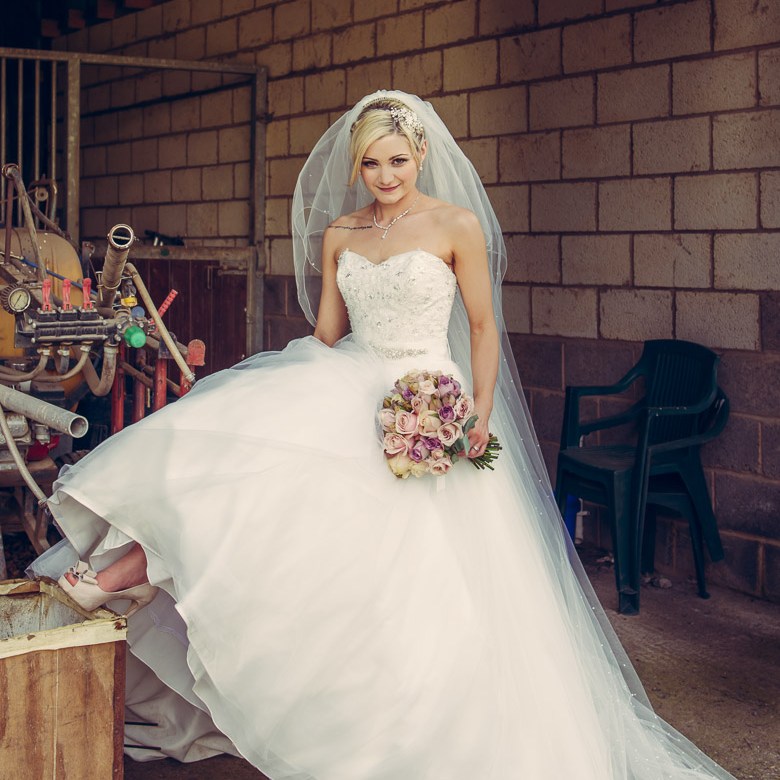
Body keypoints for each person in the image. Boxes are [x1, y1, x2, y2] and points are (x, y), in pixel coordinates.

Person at [31, 91, 736, 779]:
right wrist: (286, 387)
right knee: (234, 469)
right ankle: (128, 573)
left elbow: (484, 328)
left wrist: (479, 409)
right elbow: (329, 336)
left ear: (421, 153)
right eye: (372, 164)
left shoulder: (456, 225)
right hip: (351, 380)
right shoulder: (342, 234)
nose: (387, 176)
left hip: (428, 398)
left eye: (398, 160)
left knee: (415, 583)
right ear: (357, 167)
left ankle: (138, 586)